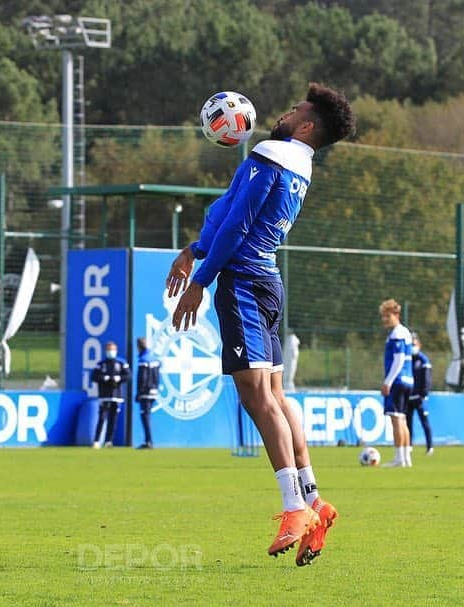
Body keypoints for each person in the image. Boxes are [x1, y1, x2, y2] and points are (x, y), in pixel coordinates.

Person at [165, 82, 354, 566]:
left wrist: (201, 280)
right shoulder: (302, 165)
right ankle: (313, 499)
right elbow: (226, 210)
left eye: (295, 110)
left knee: (256, 395)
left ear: (307, 126)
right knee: (276, 394)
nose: (286, 113)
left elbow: (236, 223)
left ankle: (293, 507)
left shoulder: (271, 152)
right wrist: (194, 250)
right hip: (268, 280)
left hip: (244, 283)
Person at [379, 299, 414, 468]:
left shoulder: (397, 334)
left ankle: (399, 458)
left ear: (396, 315)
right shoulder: (406, 332)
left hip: (398, 381)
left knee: (396, 419)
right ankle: (406, 458)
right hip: (408, 380)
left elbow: (398, 359)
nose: (385, 320)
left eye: (388, 316)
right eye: (383, 316)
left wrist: (388, 382)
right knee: (403, 419)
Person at [91, 340, 129, 449]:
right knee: (102, 418)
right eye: (108, 350)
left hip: (116, 396)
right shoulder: (101, 364)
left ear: (116, 351)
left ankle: (109, 441)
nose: (110, 352)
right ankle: (97, 440)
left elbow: (128, 376)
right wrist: (105, 378)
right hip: (104, 395)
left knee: (113, 419)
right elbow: (94, 377)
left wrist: (119, 378)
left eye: (112, 350)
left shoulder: (121, 363)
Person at [407, 332, 434, 456]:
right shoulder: (407, 360)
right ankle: (409, 446)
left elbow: (427, 379)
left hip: (420, 398)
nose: (413, 346)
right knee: (408, 423)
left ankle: (430, 447)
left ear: (419, 344)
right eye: (411, 344)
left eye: (414, 344)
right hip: (408, 397)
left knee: (425, 422)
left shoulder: (423, 360)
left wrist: (423, 394)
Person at [135, 338, 160, 449]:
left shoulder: (143, 360)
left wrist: (139, 392)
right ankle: (148, 440)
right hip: (154, 391)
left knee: (145, 417)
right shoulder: (154, 359)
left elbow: (142, 378)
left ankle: (149, 441)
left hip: (145, 392)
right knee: (147, 416)